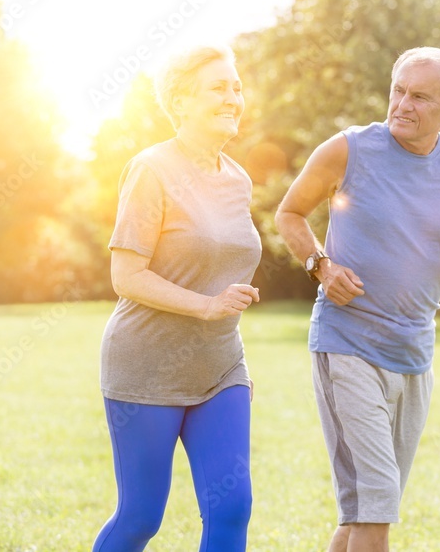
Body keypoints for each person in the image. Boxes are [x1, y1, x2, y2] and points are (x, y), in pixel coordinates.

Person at [275, 46, 440, 551]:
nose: (402, 104)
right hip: (346, 342)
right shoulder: (348, 149)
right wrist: (321, 266)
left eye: (420, 96)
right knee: (376, 510)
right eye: (398, 90)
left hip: (415, 357)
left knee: (362, 513)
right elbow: (289, 214)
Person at [93, 44, 261, 551]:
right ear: (182, 101)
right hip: (146, 366)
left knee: (231, 507)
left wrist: (223, 323)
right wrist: (206, 305)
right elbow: (127, 275)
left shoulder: (238, 179)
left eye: (236, 87)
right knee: (142, 516)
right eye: (218, 87)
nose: (233, 97)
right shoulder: (152, 169)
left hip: (221, 367)